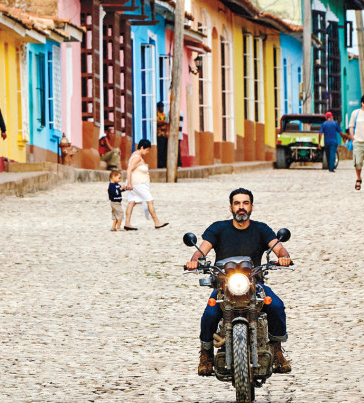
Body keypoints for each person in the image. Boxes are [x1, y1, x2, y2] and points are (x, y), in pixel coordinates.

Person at [185, 188, 291, 375]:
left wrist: (284, 257)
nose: (241, 207)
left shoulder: (261, 229)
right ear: (231, 207)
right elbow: (201, 250)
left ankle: (277, 350)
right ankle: (206, 353)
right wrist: (195, 260)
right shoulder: (218, 228)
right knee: (210, 314)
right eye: (237, 203)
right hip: (224, 285)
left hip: (254, 284)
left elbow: (279, 249)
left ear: (251, 206)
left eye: (245, 203)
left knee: (276, 306)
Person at [122, 138, 169, 231]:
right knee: (150, 201)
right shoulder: (137, 158)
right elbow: (129, 169)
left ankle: (127, 223)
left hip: (136, 183)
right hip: (138, 184)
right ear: (142, 147)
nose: (147, 152)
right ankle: (156, 222)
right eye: (147, 150)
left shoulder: (135, 155)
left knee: (132, 202)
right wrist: (129, 183)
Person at [156, 101, 170, 168]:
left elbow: (166, 122)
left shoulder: (164, 115)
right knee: (160, 150)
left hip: (164, 135)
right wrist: (162, 123)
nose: (162, 108)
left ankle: (164, 164)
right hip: (159, 134)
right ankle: (160, 164)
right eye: (161, 107)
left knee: (165, 150)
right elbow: (157, 123)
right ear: (158, 107)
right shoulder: (156, 114)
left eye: (163, 107)